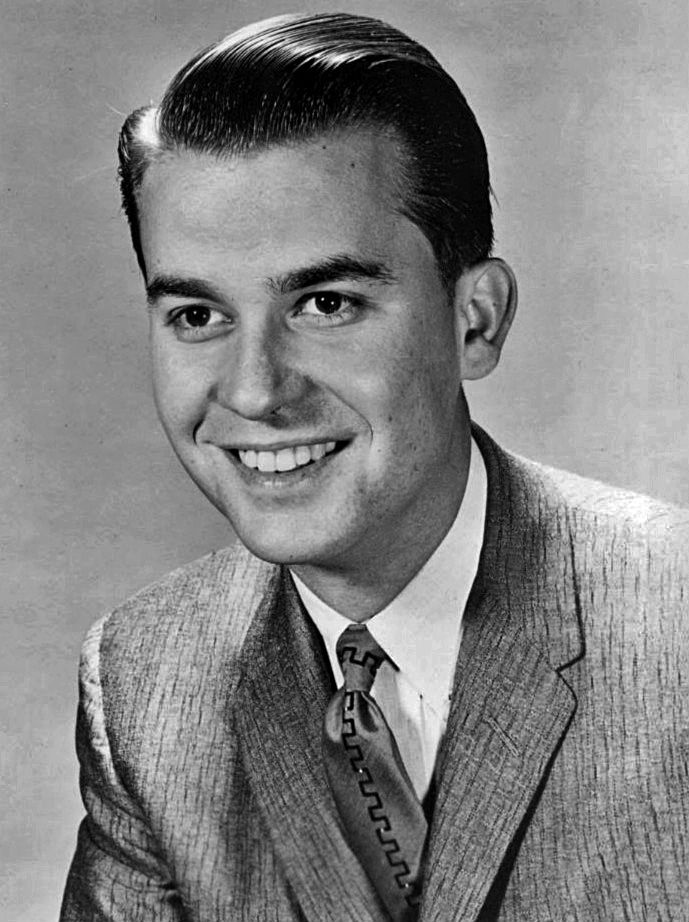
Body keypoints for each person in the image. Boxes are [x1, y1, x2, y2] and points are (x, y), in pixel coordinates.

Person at [61, 12, 687, 922]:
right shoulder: (144, 677)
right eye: (198, 316)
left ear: (474, 321)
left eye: (325, 303)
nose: (255, 391)